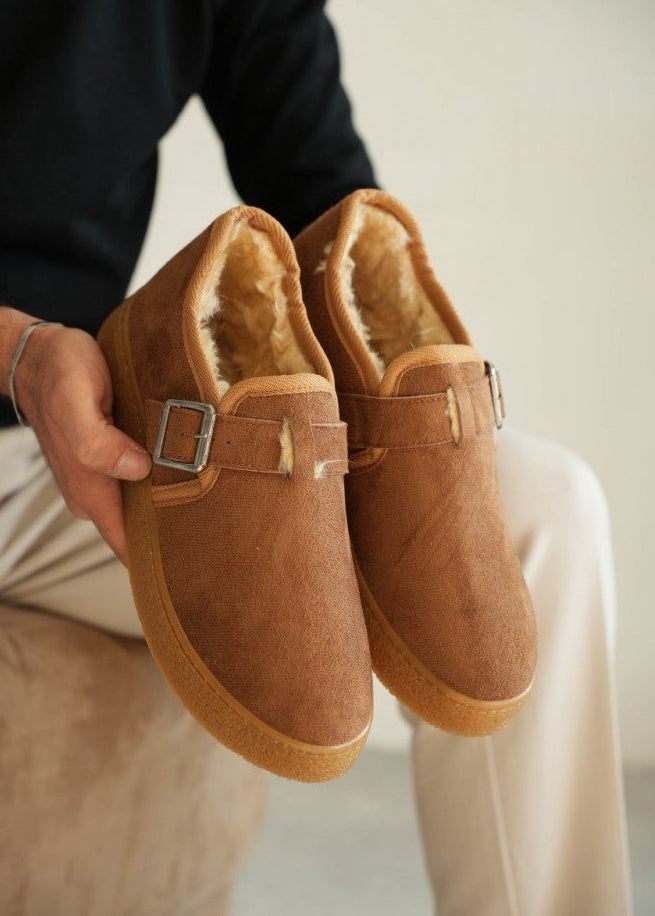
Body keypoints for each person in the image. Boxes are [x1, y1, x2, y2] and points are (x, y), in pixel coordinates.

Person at [0, 2, 632, 914]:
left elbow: (319, 190)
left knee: (545, 506)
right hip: (31, 378)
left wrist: (389, 334)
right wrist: (15, 350)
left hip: (73, 438)